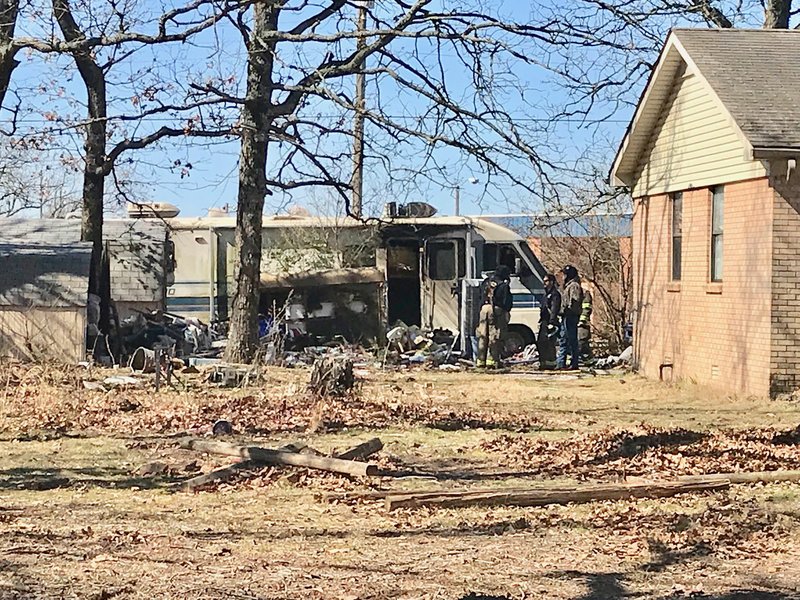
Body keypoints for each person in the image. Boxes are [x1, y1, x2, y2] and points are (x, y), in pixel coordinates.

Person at [475, 264, 513, 368]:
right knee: (495, 335)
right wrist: (506, 312)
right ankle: (492, 360)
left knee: (482, 335)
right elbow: (506, 302)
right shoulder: (503, 285)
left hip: (483, 309)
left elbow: (480, 296)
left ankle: (480, 361)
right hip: (496, 310)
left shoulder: (486, 282)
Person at [557, 264, 583, 371]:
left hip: (570, 316)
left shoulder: (574, 286)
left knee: (571, 339)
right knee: (564, 339)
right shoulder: (568, 285)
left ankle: (574, 363)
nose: (563, 276)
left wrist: (568, 309)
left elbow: (575, 300)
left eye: (565, 274)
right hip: (565, 316)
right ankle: (561, 363)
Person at [537, 273, 561, 370]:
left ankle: (551, 364)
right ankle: (543, 362)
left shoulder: (555, 294)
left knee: (550, 343)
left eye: (546, 281)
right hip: (544, 322)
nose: (544, 283)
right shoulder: (546, 294)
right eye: (544, 281)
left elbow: (554, 309)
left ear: (552, 282)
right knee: (541, 342)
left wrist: (551, 322)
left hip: (550, 322)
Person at [578, 284, 593, 361]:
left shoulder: (585, 294)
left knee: (582, 342)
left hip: (582, 325)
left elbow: (587, 308)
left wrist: (582, 320)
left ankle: (589, 360)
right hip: (575, 323)